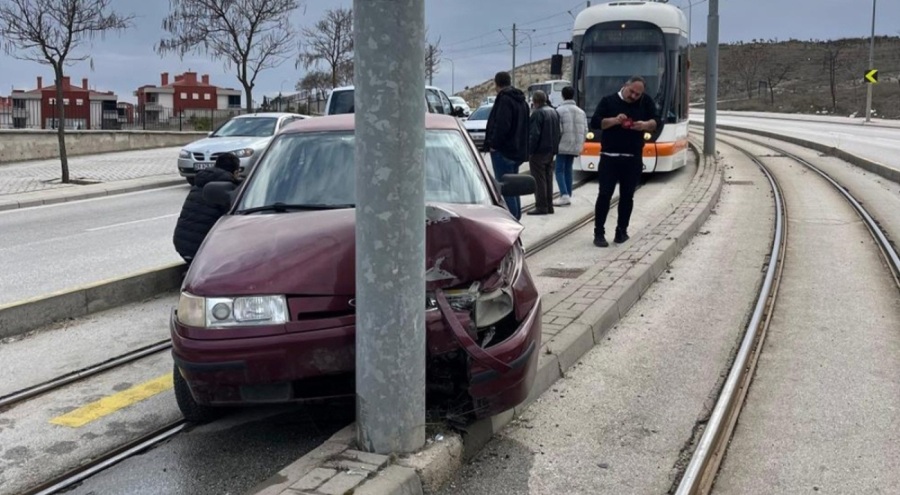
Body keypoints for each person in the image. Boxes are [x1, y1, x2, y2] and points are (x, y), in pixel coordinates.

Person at [589, 76, 660, 247]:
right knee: (604, 195)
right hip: (609, 157)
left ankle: (621, 231)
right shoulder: (608, 101)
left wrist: (645, 125)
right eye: (631, 92)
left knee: (627, 196)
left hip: (633, 157)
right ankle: (599, 233)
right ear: (625, 86)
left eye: (637, 94)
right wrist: (614, 120)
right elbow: (595, 122)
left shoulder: (646, 102)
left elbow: (656, 121)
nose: (633, 96)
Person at [173, 153, 241, 263]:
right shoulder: (227, 189)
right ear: (235, 172)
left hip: (182, 244)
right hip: (202, 248)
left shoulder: (200, 183)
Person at [482, 71, 530, 220]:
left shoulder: (504, 100)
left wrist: (493, 144)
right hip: (517, 150)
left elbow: (502, 125)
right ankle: (516, 216)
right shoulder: (522, 101)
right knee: (514, 187)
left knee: (506, 188)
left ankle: (512, 219)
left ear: (496, 84)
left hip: (503, 151)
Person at [526, 90, 561, 215]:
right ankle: (549, 205)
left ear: (535, 101)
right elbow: (559, 132)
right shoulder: (554, 112)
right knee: (548, 178)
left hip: (539, 151)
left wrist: (530, 151)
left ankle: (541, 206)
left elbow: (534, 134)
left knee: (539, 179)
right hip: (551, 150)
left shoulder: (538, 113)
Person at [553, 86, 587, 207]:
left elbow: (558, 130)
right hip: (575, 145)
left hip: (562, 144)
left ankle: (564, 194)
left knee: (559, 170)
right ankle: (568, 193)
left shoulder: (559, 110)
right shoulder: (581, 112)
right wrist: (580, 143)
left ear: (562, 95)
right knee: (568, 169)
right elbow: (585, 130)